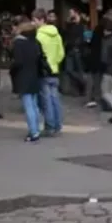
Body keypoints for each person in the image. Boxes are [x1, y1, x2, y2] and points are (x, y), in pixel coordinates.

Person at [32, 8, 65, 136]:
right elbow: (61, 53)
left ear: (41, 20)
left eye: (34, 20)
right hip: (55, 70)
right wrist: (54, 63)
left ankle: (50, 126)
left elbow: (37, 55)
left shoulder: (38, 36)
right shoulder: (56, 34)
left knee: (46, 102)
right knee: (55, 99)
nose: (33, 23)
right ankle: (57, 124)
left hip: (43, 72)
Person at [10, 19, 43, 142]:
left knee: (28, 105)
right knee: (34, 105)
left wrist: (12, 70)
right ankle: (36, 129)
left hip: (23, 76)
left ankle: (33, 132)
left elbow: (17, 61)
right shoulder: (35, 42)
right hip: (34, 75)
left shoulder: (19, 43)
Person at [63, 6, 86, 96]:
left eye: (71, 12)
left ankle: (82, 87)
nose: (70, 14)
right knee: (69, 70)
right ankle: (82, 83)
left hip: (77, 49)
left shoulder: (82, 24)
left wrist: (77, 46)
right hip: (70, 49)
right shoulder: (70, 24)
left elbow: (81, 37)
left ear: (76, 13)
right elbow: (67, 33)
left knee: (79, 70)